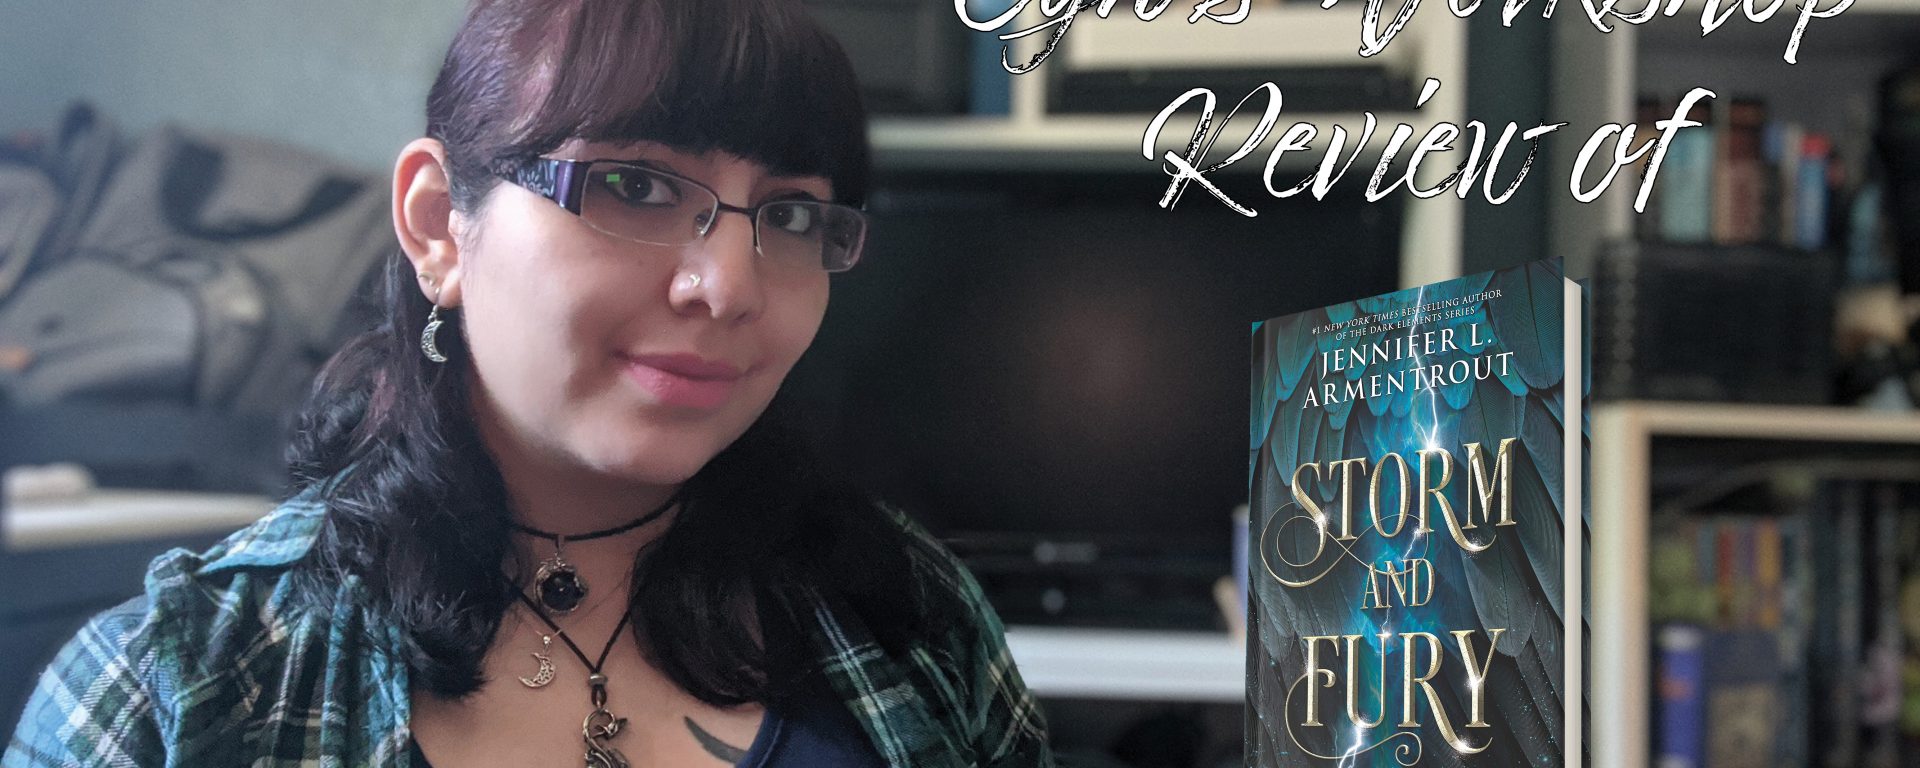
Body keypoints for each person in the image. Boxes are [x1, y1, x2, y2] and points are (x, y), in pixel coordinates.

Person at [2, 0, 1056, 765]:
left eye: (788, 214)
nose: (731, 286)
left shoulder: (913, 616)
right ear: (436, 224)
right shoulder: (168, 692)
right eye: (634, 184)